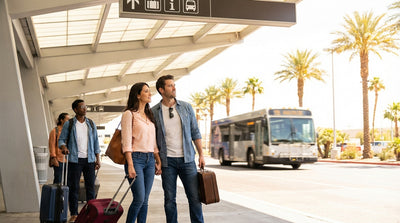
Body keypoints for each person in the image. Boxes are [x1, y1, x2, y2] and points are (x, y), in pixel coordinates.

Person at [151, 75, 205, 223]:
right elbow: (153, 139)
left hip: (187, 160)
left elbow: (195, 132)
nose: (174, 88)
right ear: (161, 90)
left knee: (194, 198)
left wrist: (201, 155)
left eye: (174, 85)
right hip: (167, 162)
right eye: (170, 86)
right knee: (169, 200)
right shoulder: (154, 111)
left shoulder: (186, 107)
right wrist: (157, 160)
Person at [122, 82, 162, 223]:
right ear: (138, 95)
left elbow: (153, 143)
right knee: (139, 199)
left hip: (150, 160)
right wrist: (130, 165)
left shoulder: (149, 116)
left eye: (149, 91)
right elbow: (126, 142)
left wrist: (158, 160)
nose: (150, 94)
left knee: (145, 200)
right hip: (135, 159)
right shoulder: (129, 114)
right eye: (146, 91)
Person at [58, 99, 101, 223]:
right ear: (75, 110)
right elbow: (61, 140)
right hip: (74, 160)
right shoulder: (70, 124)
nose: (85, 108)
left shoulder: (91, 124)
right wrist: (64, 147)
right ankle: (74, 213)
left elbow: (96, 143)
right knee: (74, 187)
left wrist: (98, 159)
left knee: (91, 188)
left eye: (85, 106)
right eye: (82, 107)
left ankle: (91, 213)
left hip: (90, 160)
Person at [48, 112, 70, 184]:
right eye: (67, 119)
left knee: (67, 180)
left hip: (69, 160)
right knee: (58, 180)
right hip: (59, 160)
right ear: (61, 120)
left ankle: (65, 195)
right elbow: (51, 145)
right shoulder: (55, 131)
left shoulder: (69, 131)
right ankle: (56, 195)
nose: (69, 121)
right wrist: (53, 158)